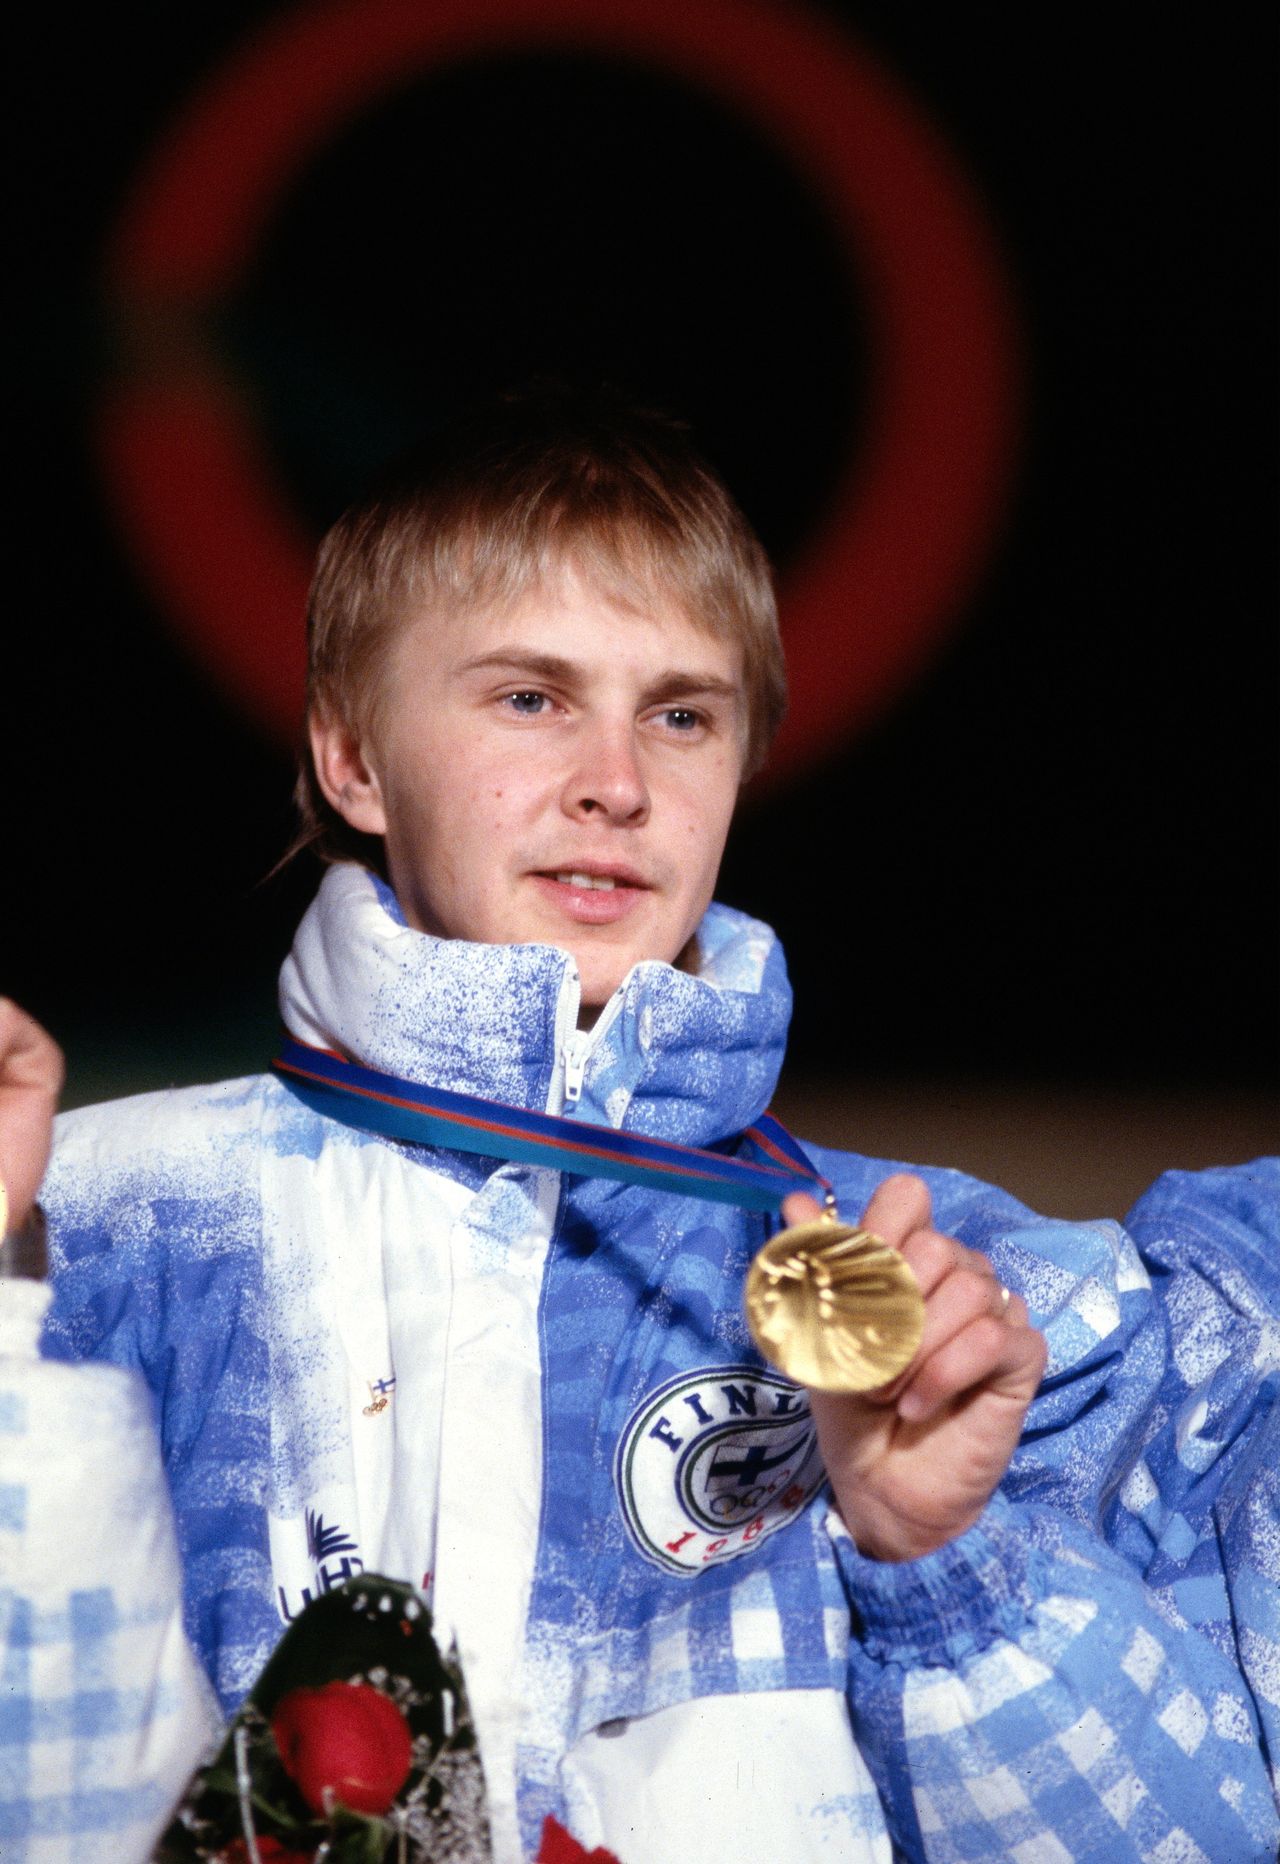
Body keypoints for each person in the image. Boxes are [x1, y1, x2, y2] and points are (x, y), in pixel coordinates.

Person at [1, 390, 1276, 1863]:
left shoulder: (977, 1306)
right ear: (353, 760)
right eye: (531, 699)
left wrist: (943, 1564)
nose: (617, 784)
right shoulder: (95, 1226)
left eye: (681, 715)